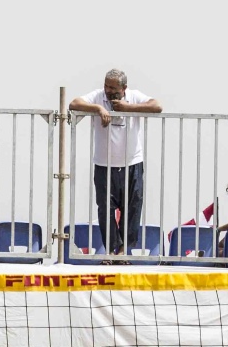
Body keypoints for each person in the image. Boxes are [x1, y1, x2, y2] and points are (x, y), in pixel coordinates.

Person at [69, 70, 164, 255]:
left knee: (133, 207)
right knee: (105, 209)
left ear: (123, 88)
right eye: (106, 85)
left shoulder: (134, 96)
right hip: (104, 164)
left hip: (132, 163)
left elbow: (157, 106)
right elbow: (74, 103)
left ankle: (123, 250)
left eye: (113, 87)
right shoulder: (98, 96)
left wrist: (128, 108)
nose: (108, 90)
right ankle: (111, 249)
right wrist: (99, 109)